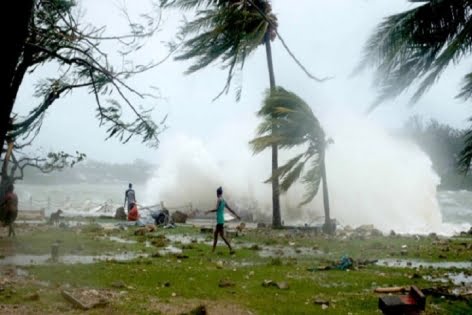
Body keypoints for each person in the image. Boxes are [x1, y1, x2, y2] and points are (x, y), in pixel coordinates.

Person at [205, 186, 240, 254]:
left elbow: (217, 209)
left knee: (216, 235)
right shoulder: (223, 201)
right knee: (221, 235)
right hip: (221, 220)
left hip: (219, 220)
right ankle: (230, 248)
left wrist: (208, 211)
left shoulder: (219, 200)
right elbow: (230, 209)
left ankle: (213, 250)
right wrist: (237, 215)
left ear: (217, 193)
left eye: (216, 193)